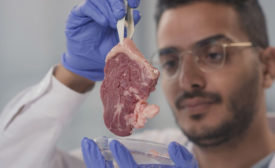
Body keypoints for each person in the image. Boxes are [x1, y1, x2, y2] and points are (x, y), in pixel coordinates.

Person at [0, 0, 275, 167]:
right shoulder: (140, 158)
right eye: (170, 62)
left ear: (267, 66)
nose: (188, 80)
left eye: (214, 55)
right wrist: (74, 73)